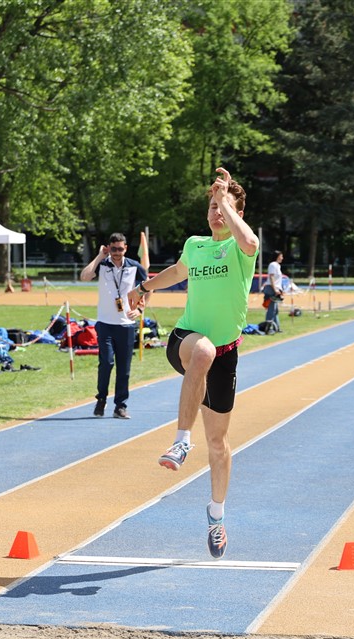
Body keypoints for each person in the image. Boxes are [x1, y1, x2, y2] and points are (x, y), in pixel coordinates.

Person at [127, 167, 258, 559]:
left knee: (218, 443)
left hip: (226, 353)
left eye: (223, 206)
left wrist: (225, 199)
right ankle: (182, 441)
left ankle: (216, 515)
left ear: (236, 213)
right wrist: (142, 287)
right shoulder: (195, 245)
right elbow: (177, 272)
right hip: (186, 339)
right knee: (202, 352)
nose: (216, 212)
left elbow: (249, 240)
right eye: (212, 206)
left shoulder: (241, 249)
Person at [80, 233, 147, 419]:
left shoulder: (134, 266)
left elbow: (149, 287)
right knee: (106, 363)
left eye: (120, 249)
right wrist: (99, 256)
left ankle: (120, 406)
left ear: (126, 248)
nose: (117, 252)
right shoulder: (102, 264)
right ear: (108, 248)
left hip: (126, 325)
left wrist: (141, 309)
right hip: (105, 324)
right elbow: (85, 277)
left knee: (124, 368)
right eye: (114, 249)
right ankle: (101, 399)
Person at [264, 251, 285, 332]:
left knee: (275, 310)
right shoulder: (272, 264)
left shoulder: (278, 265)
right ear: (277, 256)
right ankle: (268, 327)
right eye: (281, 256)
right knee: (271, 309)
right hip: (271, 288)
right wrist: (275, 289)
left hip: (276, 288)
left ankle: (277, 328)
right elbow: (271, 277)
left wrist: (280, 289)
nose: (282, 258)